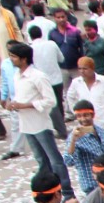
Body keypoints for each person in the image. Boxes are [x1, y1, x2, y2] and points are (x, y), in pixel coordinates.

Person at [9, 42, 69, 195]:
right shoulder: (17, 75)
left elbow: (51, 100)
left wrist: (26, 105)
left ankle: (67, 192)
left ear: (24, 59)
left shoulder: (38, 76)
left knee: (55, 160)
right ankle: (50, 191)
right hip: (26, 124)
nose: (11, 59)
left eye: (14, 57)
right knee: (41, 160)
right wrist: (14, 104)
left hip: (40, 124)